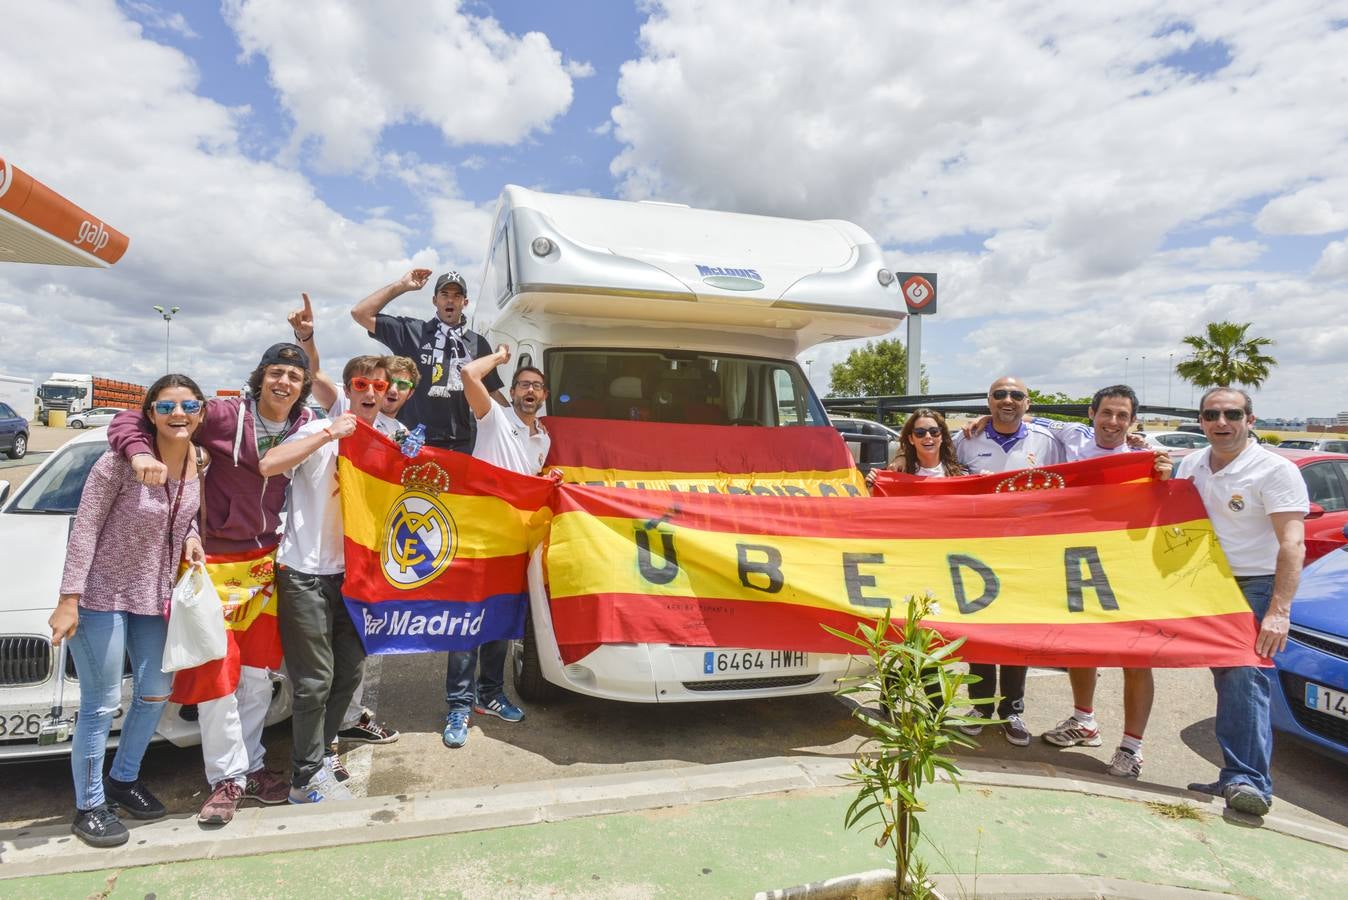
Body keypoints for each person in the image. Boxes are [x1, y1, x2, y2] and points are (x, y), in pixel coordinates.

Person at [107, 339, 317, 825]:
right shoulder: (223, 414)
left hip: (264, 563)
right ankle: (225, 779)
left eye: (293, 375)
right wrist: (140, 454)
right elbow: (130, 420)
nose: (283, 381)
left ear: (302, 385)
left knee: (258, 677)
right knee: (218, 679)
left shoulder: (305, 425)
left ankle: (252, 767)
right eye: (275, 372)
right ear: (260, 375)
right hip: (212, 564)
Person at [49, 375, 208, 847]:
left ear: (199, 412)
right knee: (99, 706)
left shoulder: (197, 463)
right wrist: (68, 598)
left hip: (152, 596)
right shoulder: (117, 464)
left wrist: (193, 539)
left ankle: (124, 778)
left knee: (157, 692)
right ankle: (90, 805)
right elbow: (85, 528)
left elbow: (184, 516)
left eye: (188, 405)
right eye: (166, 407)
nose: (178, 414)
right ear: (150, 413)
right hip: (100, 596)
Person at [263, 353, 405, 803]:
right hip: (304, 571)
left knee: (349, 672)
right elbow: (269, 464)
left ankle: (322, 754)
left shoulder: (391, 439)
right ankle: (303, 781)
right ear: (347, 389)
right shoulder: (318, 428)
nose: (369, 393)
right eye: (361, 384)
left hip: (356, 576)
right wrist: (329, 431)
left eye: (379, 388)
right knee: (314, 680)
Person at [1024, 386, 1172, 778]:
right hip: (1077, 560)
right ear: (1091, 413)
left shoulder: (1147, 459)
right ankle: (1084, 720)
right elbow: (1018, 416)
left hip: (1128, 566)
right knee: (1081, 646)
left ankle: (1132, 748)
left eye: (1122, 416)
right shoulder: (1072, 436)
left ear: (1132, 421)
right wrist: (980, 420)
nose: (1113, 422)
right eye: (1107, 413)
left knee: (1136, 657)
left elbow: (1169, 509)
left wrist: (1163, 479)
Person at [1177, 387, 1306, 816]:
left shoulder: (1275, 470)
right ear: (1201, 421)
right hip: (1207, 584)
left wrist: (1279, 611)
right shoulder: (1191, 464)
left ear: (1250, 419)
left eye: (1232, 414)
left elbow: (1292, 544)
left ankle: (1249, 782)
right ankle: (1234, 774)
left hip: (1255, 585)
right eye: (1211, 415)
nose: (1221, 422)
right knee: (1227, 680)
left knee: (1243, 678)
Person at [442, 344, 550, 749]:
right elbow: (469, 375)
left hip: (513, 542)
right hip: (478, 538)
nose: (529, 391)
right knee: (467, 624)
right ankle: (458, 705)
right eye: (523, 384)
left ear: (543, 397)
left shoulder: (544, 439)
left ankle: (489, 694)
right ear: (513, 390)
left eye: (536, 386)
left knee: (501, 622)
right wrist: (502, 357)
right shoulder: (494, 418)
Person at [952, 376, 1063, 746]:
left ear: (1027, 403)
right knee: (981, 631)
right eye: (1000, 394)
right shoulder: (966, 439)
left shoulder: (1047, 441)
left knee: (1017, 634)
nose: (1008, 400)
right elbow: (937, 472)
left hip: (1026, 553)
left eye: (1016, 395)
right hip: (977, 552)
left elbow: (1070, 485)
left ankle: (1012, 710)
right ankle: (981, 706)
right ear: (988, 400)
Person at [350, 269, 506, 452]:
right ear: (435, 300)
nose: (450, 300)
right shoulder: (413, 332)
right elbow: (360, 313)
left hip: (461, 444)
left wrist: (520, 425)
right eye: (444, 294)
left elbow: (492, 392)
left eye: (457, 296)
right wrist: (401, 286)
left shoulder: (478, 343)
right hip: (412, 441)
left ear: (465, 302)